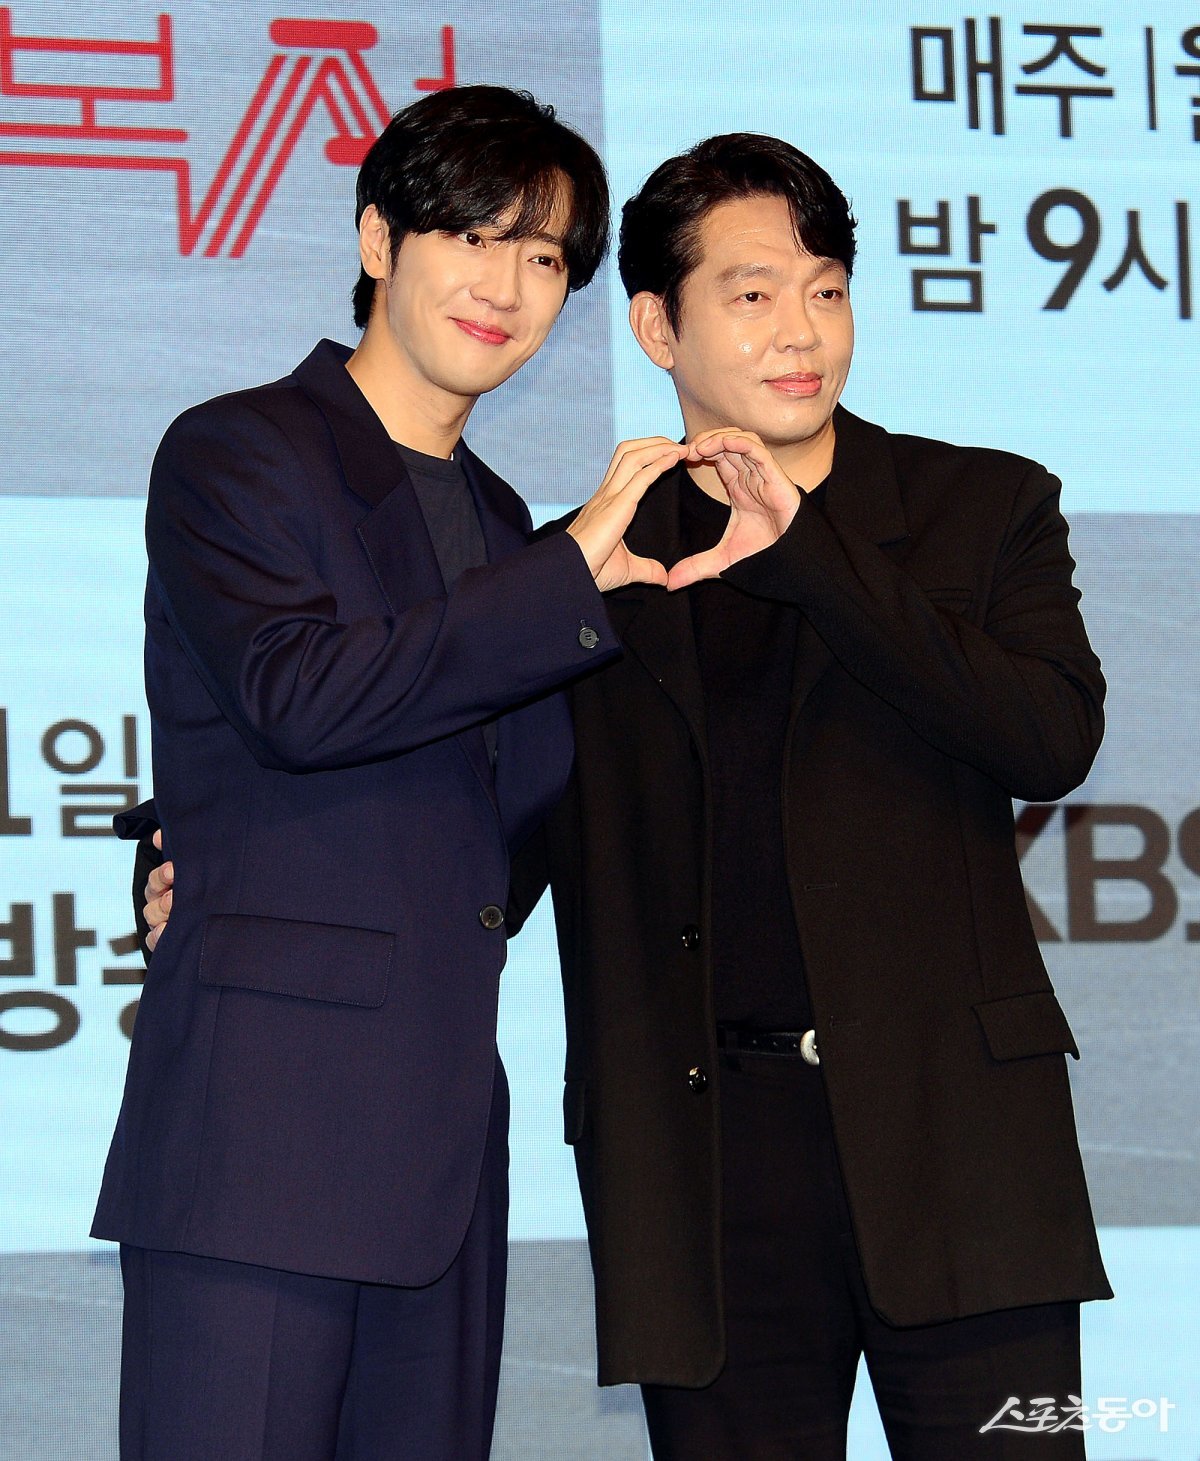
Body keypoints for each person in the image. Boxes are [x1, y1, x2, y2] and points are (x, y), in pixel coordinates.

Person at [140, 132, 1113, 1459]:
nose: (801, 331)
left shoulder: (981, 507)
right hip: (703, 1180)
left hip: (968, 1164)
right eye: (753, 293)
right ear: (658, 327)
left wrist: (814, 557)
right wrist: (212, 853)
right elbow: (470, 816)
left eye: (827, 291)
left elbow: (1049, 739)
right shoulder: (579, 569)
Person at [95, 83, 687, 1461]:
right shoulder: (238, 450)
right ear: (378, 241)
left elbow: (493, 830)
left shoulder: (504, 525)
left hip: (442, 1154)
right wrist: (200, 844)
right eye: (472, 235)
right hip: (262, 1137)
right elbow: (295, 698)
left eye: (544, 257)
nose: (507, 286)